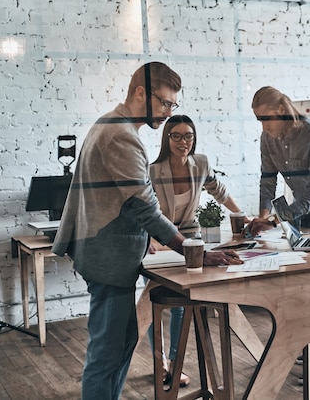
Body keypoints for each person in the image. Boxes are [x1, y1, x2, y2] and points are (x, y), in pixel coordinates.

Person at [51, 62, 241, 400]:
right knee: (106, 353)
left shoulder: (114, 126)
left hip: (109, 253)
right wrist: (194, 251)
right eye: (165, 103)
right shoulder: (121, 136)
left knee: (121, 344)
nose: (169, 112)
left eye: (173, 106)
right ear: (141, 92)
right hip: (107, 256)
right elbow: (144, 207)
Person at [244, 85, 310, 368]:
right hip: (295, 214)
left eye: (265, 118)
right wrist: (263, 215)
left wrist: (276, 218)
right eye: (258, 120)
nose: (262, 125)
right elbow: (267, 180)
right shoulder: (267, 137)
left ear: (281, 111)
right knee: (300, 284)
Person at [147, 114, 247, 387]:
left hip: (190, 239)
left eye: (188, 136)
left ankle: (175, 365)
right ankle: (160, 362)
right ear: (166, 138)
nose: (183, 142)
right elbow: (142, 211)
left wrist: (242, 216)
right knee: (151, 304)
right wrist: (148, 240)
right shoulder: (152, 171)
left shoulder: (200, 164)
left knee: (182, 306)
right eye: (176, 136)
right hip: (158, 241)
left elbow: (220, 192)